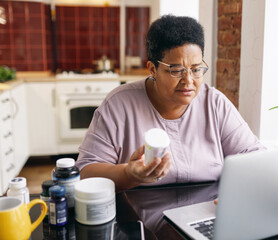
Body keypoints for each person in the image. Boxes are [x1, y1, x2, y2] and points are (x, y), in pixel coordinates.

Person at [76, 15, 265, 192]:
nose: (189, 81)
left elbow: (255, 158)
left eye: (196, 69)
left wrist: (232, 196)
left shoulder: (214, 103)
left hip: (206, 214)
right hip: (139, 220)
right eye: (177, 70)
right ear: (152, 69)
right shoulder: (118, 105)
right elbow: (85, 172)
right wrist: (128, 174)